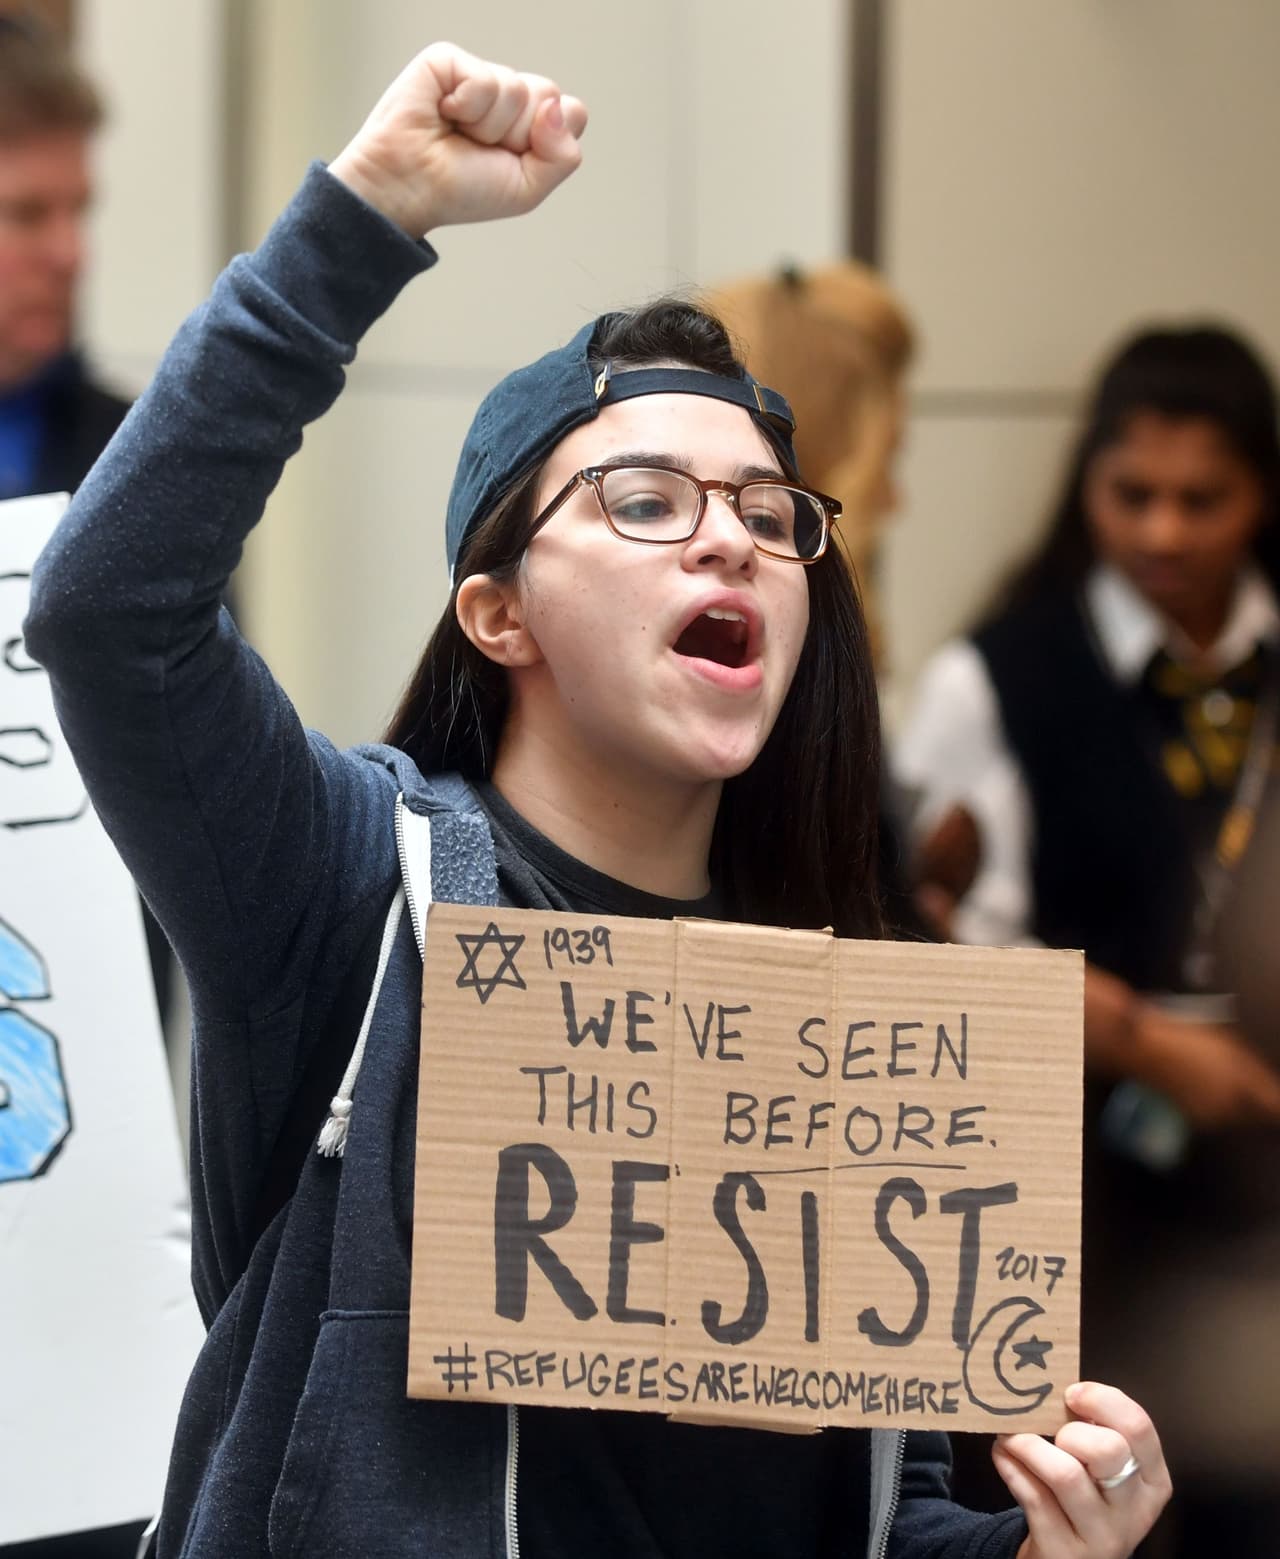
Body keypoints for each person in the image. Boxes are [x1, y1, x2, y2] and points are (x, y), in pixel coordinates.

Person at [26, 43, 1169, 1559]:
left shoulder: (852, 1020)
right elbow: (109, 610)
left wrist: (1041, 1541)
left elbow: (871, 1515)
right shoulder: (352, 892)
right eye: (644, 501)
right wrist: (365, 218)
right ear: (498, 613)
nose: (730, 540)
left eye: (769, 512)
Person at [896, 324, 1280, 1554]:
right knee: (1094, 1490)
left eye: (1200, 499)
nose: (1162, 530)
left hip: (1259, 1175)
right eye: (1130, 494)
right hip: (1071, 1184)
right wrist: (1145, 1041)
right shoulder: (995, 674)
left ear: (1261, 495)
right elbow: (931, 951)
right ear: (1084, 488)